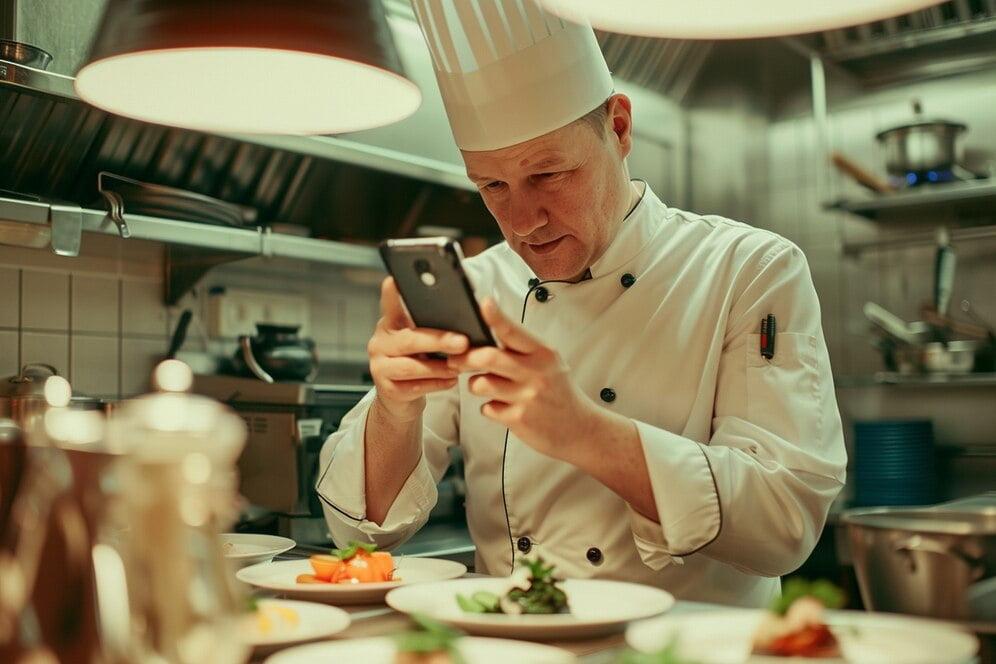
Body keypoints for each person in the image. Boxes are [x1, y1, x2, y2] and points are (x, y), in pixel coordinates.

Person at [317, 0, 846, 606]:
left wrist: (583, 432)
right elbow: (358, 532)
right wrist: (395, 405)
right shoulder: (477, 286)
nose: (524, 222)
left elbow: (784, 525)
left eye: (548, 175)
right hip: (512, 646)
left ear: (619, 128)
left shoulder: (747, 269)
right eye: (492, 185)